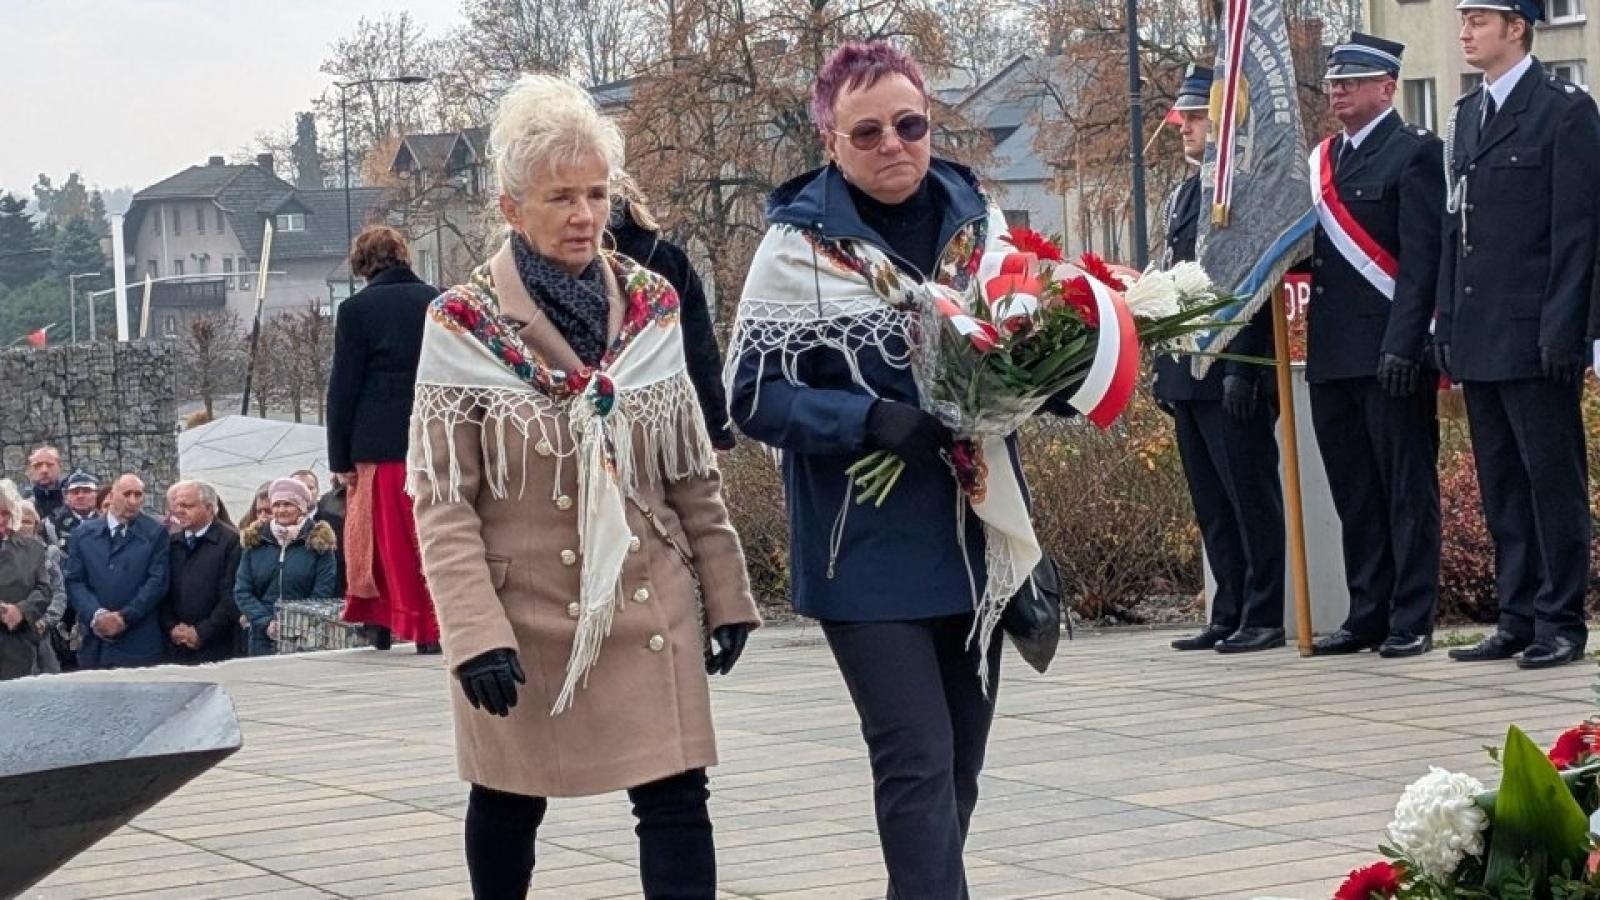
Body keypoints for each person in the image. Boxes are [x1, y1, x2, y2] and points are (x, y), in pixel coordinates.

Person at [409, 73, 759, 900]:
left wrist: (727, 588)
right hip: (521, 612)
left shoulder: (652, 304)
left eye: (597, 194)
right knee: (507, 802)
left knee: (678, 799)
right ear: (510, 207)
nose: (584, 215)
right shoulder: (460, 325)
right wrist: (471, 631)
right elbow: (442, 496)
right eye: (560, 196)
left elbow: (687, 468)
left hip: (647, 592)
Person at [726, 41, 1043, 897]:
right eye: (867, 133)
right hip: (861, 550)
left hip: (976, 538)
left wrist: (1043, 380)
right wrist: (868, 419)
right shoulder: (795, 251)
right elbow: (751, 395)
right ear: (830, 140)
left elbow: (1020, 343)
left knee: (958, 772)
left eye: (910, 124)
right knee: (915, 760)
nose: (893, 144)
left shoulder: (980, 224)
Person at [1439, 0, 1600, 669]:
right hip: (1481, 332)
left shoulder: (1563, 110)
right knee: (1502, 482)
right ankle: (1518, 615)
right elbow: (1458, 231)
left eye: (1481, 18)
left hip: (1537, 334)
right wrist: (1446, 322)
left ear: (1518, 28)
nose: (1466, 31)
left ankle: (1560, 619)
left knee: (1551, 482)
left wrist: (1568, 331)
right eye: (1464, 18)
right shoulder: (1467, 114)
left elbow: (1579, 232)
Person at [1303, 35, 1445, 659]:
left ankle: (1411, 615)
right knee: (1354, 491)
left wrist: (1405, 344)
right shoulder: (1324, 159)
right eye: (1335, 81)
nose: (1339, 90)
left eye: (1354, 81)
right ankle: (1368, 611)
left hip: (1391, 352)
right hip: (1333, 352)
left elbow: (1422, 262)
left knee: (1405, 488)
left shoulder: (1415, 154)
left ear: (1387, 88)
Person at [1159, 65, 1289, 655]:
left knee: (1249, 496)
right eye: (1182, 116)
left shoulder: (1243, 191)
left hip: (1232, 370)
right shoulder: (1187, 192)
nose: (1181, 126)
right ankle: (1228, 606)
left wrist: (1244, 363)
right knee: (1212, 501)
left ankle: (1264, 613)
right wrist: (1165, 368)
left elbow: (1255, 285)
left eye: (1193, 116)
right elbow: (1172, 284)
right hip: (1189, 372)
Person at [324, 228, 444, 656]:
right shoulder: (437, 300)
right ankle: (432, 626)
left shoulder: (356, 310)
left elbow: (344, 387)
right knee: (427, 534)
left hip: (377, 440)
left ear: (362, 263)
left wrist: (339, 455)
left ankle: (382, 623)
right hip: (433, 436)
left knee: (378, 541)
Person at [609, 178, 736, 451]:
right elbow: (699, 347)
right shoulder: (670, 261)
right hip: (668, 413)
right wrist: (717, 427)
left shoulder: (575, 267)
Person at [63, 473, 170, 669]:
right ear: (111, 496)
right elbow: (74, 581)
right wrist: (96, 614)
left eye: (138, 495)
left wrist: (125, 617)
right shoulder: (83, 534)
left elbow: (157, 581)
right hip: (95, 643)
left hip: (140, 641)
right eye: (127, 494)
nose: (133, 501)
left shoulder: (155, 533)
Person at [234, 478, 337, 657]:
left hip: (305, 635)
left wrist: (296, 622)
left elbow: (322, 591)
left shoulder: (319, 543)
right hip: (261, 635)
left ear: (302, 507)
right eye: (277, 504)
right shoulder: (255, 542)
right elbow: (242, 591)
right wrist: (266, 623)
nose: (281, 510)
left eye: (288, 504)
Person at [160, 480, 241, 664]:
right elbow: (163, 589)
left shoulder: (231, 542)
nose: (180, 510)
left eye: (187, 506)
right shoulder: (173, 542)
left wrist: (202, 632)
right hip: (176, 646)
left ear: (210, 508)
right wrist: (172, 627)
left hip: (218, 646)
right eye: (177, 505)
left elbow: (230, 595)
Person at [0, 481, 50, 681]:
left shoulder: (32, 549)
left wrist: (21, 610)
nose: (1, 519)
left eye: (5, 513)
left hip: (18, 647)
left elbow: (44, 589)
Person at [17, 500, 67, 674]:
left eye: (27, 521)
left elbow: (58, 592)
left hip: (41, 631)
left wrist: (45, 620)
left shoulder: (49, 553)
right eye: (18, 521)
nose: (22, 527)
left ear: (36, 526)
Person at [50, 469, 99, 551]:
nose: (80, 496)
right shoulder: (54, 523)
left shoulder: (107, 521)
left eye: (86, 491)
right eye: (75, 492)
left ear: (97, 494)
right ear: (66, 497)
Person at [24, 446, 64, 539]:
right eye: (37, 465)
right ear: (29, 470)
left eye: (49, 464)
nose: (44, 470)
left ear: (60, 467)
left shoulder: (73, 501)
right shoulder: (22, 506)